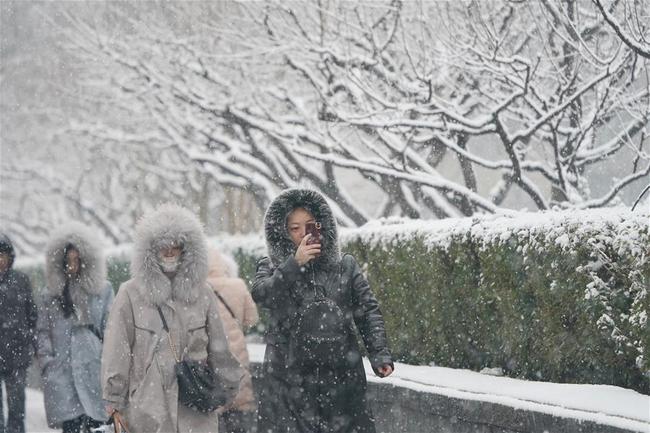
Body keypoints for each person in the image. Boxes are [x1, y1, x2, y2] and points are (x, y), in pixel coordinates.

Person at [252, 189, 394, 433]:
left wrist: (379, 354)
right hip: (288, 376)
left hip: (340, 373)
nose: (302, 234)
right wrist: (293, 265)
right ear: (283, 232)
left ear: (322, 226)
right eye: (294, 228)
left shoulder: (344, 266)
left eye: (309, 226)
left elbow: (367, 311)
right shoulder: (272, 266)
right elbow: (262, 295)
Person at [101, 204, 243, 433]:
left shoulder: (202, 293)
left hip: (196, 405)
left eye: (175, 245)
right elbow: (117, 349)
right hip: (148, 408)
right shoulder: (130, 294)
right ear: (150, 249)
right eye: (162, 245)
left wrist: (228, 386)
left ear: (186, 249)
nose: (169, 251)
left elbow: (219, 346)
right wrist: (114, 399)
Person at [36, 223, 114, 433]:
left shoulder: (102, 290)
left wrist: (109, 361)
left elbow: (111, 329)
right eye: (68, 261)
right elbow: (42, 332)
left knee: (98, 426)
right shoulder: (50, 295)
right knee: (71, 427)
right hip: (63, 373)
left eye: (77, 260)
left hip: (94, 370)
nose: (72, 266)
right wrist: (48, 363)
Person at [207, 248, 259, 433]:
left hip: (210, 356)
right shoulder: (237, 285)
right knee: (240, 405)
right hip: (237, 355)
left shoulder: (197, 289)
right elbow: (252, 319)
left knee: (214, 409)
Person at [0, 234, 37, 433]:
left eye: (2, 255)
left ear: (9, 257)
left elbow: (32, 314)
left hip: (16, 355)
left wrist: (30, 341)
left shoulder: (21, 280)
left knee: (16, 407)